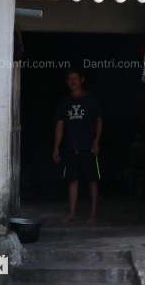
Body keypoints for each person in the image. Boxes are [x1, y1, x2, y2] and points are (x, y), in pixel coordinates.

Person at [52, 68, 103, 223]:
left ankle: (93, 214)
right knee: (72, 180)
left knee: (92, 179)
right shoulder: (64, 101)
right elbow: (60, 124)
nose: (72, 81)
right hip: (69, 146)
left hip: (88, 146)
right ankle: (72, 212)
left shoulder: (91, 99)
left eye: (75, 78)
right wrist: (56, 146)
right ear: (66, 82)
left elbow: (99, 121)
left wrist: (96, 142)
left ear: (82, 80)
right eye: (69, 78)